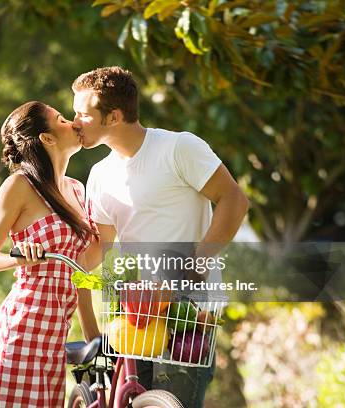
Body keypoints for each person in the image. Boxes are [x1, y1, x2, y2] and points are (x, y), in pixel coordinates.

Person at [71, 66, 249, 408]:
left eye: (83, 114)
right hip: (133, 312)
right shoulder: (100, 175)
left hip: (187, 311)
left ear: (114, 116)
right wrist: (73, 270)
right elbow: (103, 251)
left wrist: (198, 263)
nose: (75, 122)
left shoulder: (179, 148)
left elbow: (235, 201)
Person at [0, 101, 101, 407]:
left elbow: (80, 272)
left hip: (53, 346)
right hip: (17, 339)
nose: (74, 123)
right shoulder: (20, 186)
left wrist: (95, 340)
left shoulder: (78, 191)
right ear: (47, 138)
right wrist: (17, 258)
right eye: (62, 120)